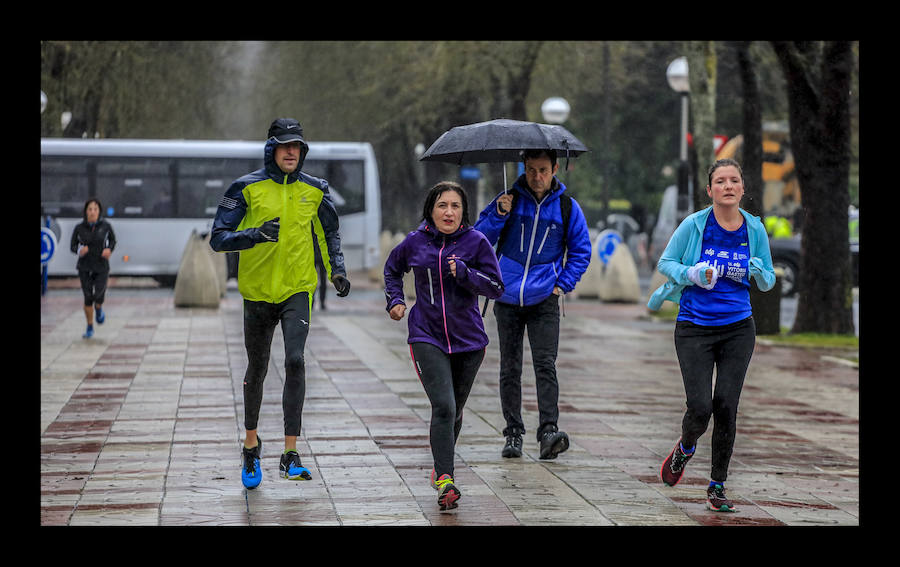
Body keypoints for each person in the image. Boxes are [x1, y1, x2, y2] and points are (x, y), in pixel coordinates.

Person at [210, 118, 351, 490]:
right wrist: (253, 235)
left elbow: (329, 233)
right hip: (256, 293)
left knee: (294, 360)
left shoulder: (316, 190)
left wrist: (337, 271)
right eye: (285, 146)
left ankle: (290, 452)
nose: (292, 152)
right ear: (271, 149)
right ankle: (251, 444)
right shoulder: (246, 188)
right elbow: (218, 238)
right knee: (257, 368)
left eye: (298, 147)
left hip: (296, 290)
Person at [648, 158, 776, 512]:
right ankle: (685, 448)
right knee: (701, 407)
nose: (728, 186)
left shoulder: (754, 229)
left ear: (742, 188)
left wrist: (756, 269)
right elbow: (666, 264)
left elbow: (768, 280)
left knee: (726, 407)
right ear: (710, 190)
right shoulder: (694, 225)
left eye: (734, 180)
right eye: (720, 181)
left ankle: (717, 486)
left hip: (738, 328)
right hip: (694, 329)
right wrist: (692, 272)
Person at [384, 181, 504, 511]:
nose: (448, 212)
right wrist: (395, 300)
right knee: (444, 407)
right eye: (441, 205)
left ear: (463, 211)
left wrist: (465, 274)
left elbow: (496, 287)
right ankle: (446, 480)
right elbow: (393, 269)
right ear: (430, 210)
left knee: (455, 410)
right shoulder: (415, 242)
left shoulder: (476, 242)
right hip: (426, 334)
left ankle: (441, 466)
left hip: (469, 342)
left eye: (454, 206)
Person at [474, 149, 592, 461]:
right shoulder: (508, 199)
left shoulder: (567, 207)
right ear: (523, 168)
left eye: (542, 170)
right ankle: (513, 433)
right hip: (507, 296)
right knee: (510, 367)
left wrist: (561, 285)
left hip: (544, 299)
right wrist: (499, 214)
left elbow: (581, 251)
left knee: (545, 365)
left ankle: (548, 432)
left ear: (555, 169)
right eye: (530, 170)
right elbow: (478, 240)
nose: (536, 177)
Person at [70, 198, 116, 339]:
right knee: (88, 296)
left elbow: (113, 241)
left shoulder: (106, 226)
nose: (92, 212)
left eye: (95, 209)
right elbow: (73, 246)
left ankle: (99, 308)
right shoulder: (79, 228)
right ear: (86, 211)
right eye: (90, 209)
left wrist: (109, 249)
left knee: (99, 294)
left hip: (101, 265)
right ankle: (89, 327)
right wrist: (80, 250)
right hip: (85, 266)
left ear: (99, 211)